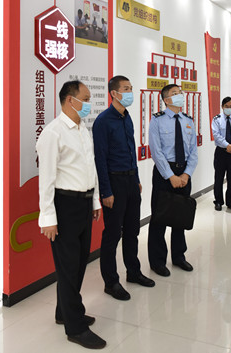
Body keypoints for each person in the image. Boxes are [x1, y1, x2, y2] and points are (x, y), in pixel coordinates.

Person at [37, 80, 105, 349]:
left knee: (78, 263)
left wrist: (95, 201)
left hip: (84, 203)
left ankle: (63, 311)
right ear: (69, 100)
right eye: (85, 98)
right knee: (67, 267)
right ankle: (75, 328)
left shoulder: (82, 129)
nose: (88, 103)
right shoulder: (53, 133)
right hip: (64, 205)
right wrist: (48, 217)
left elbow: (90, 167)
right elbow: (46, 179)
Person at [93, 76, 155, 302]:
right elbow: (100, 158)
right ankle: (111, 282)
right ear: (114, 93)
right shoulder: (103, 121)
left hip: (130, 181)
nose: (130, 92)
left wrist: (136, 178)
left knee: (132, 230)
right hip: (114, 182)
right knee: (112, 234)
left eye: (131, 88)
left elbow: (131, 150)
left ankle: (133, 272)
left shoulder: (127, 117)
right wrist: (106, 191)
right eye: (126, 89)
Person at [148, 84, 198, 277]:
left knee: (181, 216)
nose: (180, 96)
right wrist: (170, 176)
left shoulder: (188, 120)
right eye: (175, 94)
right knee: (159, 217)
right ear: (166, 100)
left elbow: (193, 151)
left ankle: (179, 256)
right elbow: (156, 151)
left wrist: (186, 174)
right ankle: (157, 261)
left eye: (180, 93)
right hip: (164, 174)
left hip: (183, 172)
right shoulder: (157, 120)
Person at [211, 96, 231, 211]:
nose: (229, 108)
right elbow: (216, 135)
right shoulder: (216, 119)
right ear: (222, 107)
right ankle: (218, 201)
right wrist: (227, 145)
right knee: (218, 178)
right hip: (221, 152)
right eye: (226, 106)